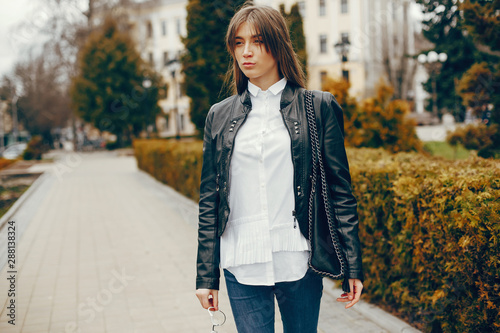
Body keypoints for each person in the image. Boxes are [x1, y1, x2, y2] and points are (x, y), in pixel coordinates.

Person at [196, 4, 363, 332]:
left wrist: (352, 265)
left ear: (278, 44)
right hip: (241, 260)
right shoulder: (219, 115)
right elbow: (209, 201)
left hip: (298, 259)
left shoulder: (318, 107)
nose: (246, 52)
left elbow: (340, 191)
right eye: (238, 42)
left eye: (257, 41)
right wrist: (206, 276)